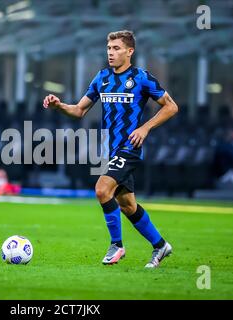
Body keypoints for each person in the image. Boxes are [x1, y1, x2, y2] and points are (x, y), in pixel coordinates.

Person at [43, 30, 179, 268]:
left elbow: (171, 107)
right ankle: (160, 246)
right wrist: (59, 106)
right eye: (109, 48)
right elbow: (79, 110)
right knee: (127, 205)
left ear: (130, 51)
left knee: (102, 189)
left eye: (116, 48)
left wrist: (145, 128)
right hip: (110, 151)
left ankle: (117, 245)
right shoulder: (102, 78)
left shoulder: (141, 78)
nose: (111, 53)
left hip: (129, 148)